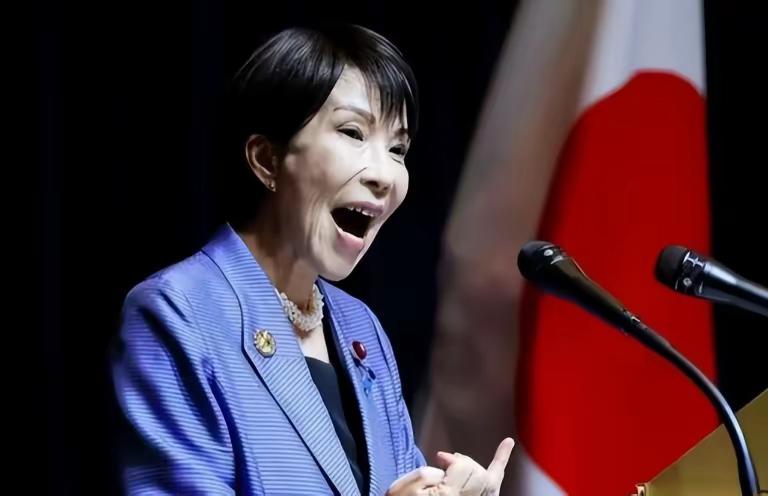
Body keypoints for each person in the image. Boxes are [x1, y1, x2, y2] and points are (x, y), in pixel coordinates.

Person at [110, 23, 514, 495]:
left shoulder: (363, 330)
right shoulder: (177, 311)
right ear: (266, 159)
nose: (385, 175)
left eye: (398, 148)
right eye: (353, 132)